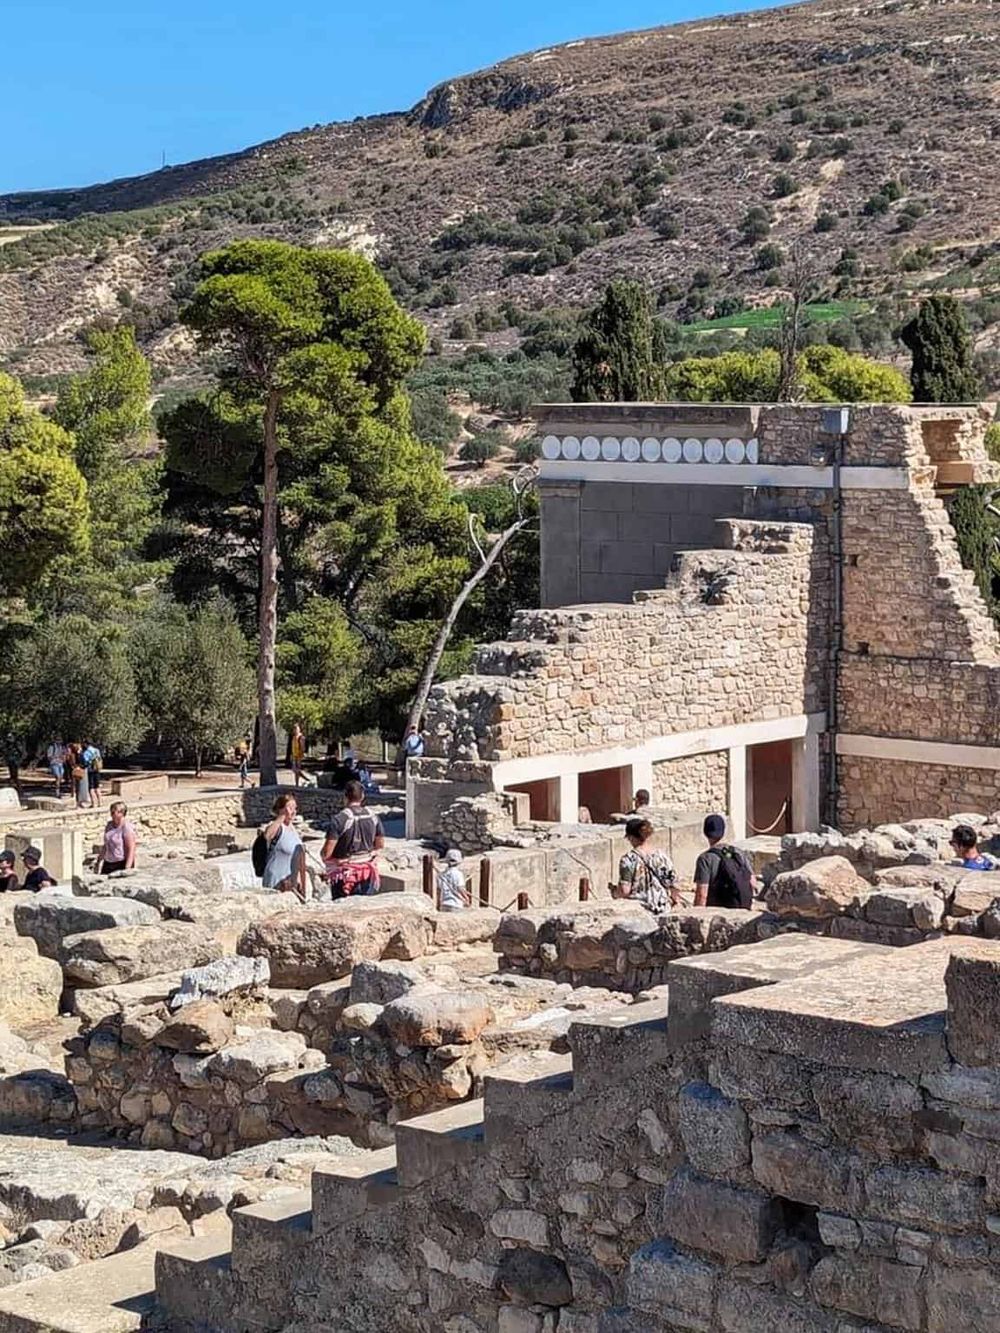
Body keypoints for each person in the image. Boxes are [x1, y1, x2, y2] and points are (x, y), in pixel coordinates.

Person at [321, 780, 385, 899]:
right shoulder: (373, 817)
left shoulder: (339, 820)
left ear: (345, 797)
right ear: (362, 796)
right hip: (366, 873)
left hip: (344, 876)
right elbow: (380, 844)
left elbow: (326, 853)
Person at [694, 814, 758, 908]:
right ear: (723, 831)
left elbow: (702, 895)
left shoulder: (705, 859)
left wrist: (696, 915)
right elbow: (753, 882)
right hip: (741, 907)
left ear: (705, 832)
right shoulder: (738, 853)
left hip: (717, 913)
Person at [618, 817, 678, 914]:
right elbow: (673, 883)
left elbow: (625, 890)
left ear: (631, 837)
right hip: (662, 908)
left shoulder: (628, 860)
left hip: (639, 911)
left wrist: (615, 892)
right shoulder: (661, 856)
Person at [261, 794, 307, 901]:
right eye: (290, 808)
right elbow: (267, 836)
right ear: (281, 809)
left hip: (290, 880)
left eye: (295, 808)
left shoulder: (293, 830)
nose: (293, 811)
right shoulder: (278, 827)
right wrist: (281, 816)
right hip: (276, 878)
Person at [98, 802, 136, 874]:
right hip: (108, 862)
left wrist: (127, 868)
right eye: (111, 812)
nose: (111, 814)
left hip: (121, 862)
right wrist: (99, 860)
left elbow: (131, 849)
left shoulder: (126, 827)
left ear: (121, 813)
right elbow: (106, 845)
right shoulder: (109, 825)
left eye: (113, 812)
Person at [81, 740, 102, 808]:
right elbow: (99, 758)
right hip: (97, 769)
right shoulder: (96, 750)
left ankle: (93, 804)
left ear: (86, 744)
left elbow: (85, 763)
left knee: (91, 787)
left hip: (91, 771)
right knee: (97, 787)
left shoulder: (86, 752)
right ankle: (100, 802)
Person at [68, 744, 89, 809]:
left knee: (78, 788)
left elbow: (70, 764)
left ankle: (78, 802)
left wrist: (75, 767)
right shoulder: (79, 755)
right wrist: (79, 767)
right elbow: (85, 764)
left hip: (75, 772)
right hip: (79, 772)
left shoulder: (72, 755)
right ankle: (79, 802)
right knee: (80, 787)